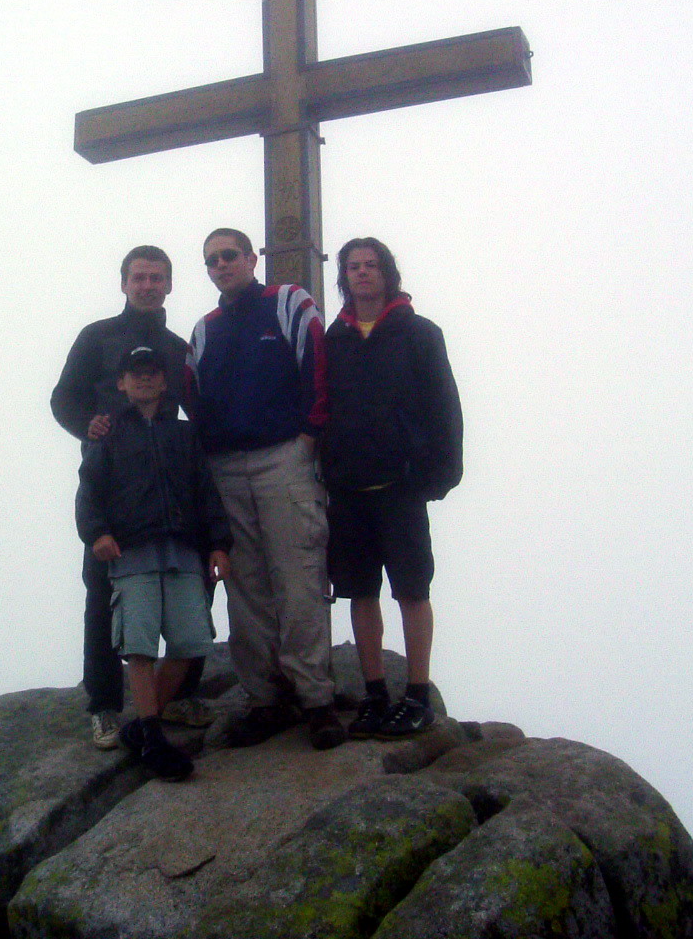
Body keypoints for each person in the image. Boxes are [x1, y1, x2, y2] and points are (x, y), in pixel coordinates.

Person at [186, 228, 346, 751]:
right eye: (212, 260)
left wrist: (309, 437)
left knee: (299, 577)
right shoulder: (204, 330)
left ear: (252, 258)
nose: (221, 265)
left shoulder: (287, 301)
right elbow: (191, 395)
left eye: (229, 255)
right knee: (246, 589)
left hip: (284, 458)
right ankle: (265, 699)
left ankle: (316, 698)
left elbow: (318, 365)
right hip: (226, 469)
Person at [51, 245, 210, 750]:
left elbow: (200, 408)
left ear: (169, 285)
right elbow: (63, 399)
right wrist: (89, 426)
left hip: (172, 484)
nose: (147, 286)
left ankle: (179, 695)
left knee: (191, 585)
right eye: (139, 277)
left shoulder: (179, 348)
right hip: (113, 483)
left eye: (156, 278)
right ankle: (104, 705)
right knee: (104, 595)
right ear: (124, 283)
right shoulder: (97, 337)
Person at [320, 237, 463, 738]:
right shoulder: (334, 339)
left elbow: (444, 407)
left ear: (387, 273)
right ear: (344, 276)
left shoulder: (420, 333)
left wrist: (439, 475)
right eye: (353, 267)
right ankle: (376, 693)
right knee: (360, 591)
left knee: (412, 590)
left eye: (371, 265)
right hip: (348, 489)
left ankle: (417, 695)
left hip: (401, 487)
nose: (362, 273)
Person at [75, 346, 232, 781]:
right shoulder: (108, 434)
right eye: (135, 373)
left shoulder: (184, 435)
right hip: (133, 551)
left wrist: (219, 544)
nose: (144, 379)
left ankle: (142, 727)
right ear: (122, 383)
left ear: (164, 382)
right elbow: (89, 488)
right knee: (139, 646)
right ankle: (153, 735)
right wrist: (97, 533)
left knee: (190, 642)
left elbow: (206, 491)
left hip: (183, 550)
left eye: (152, 372)